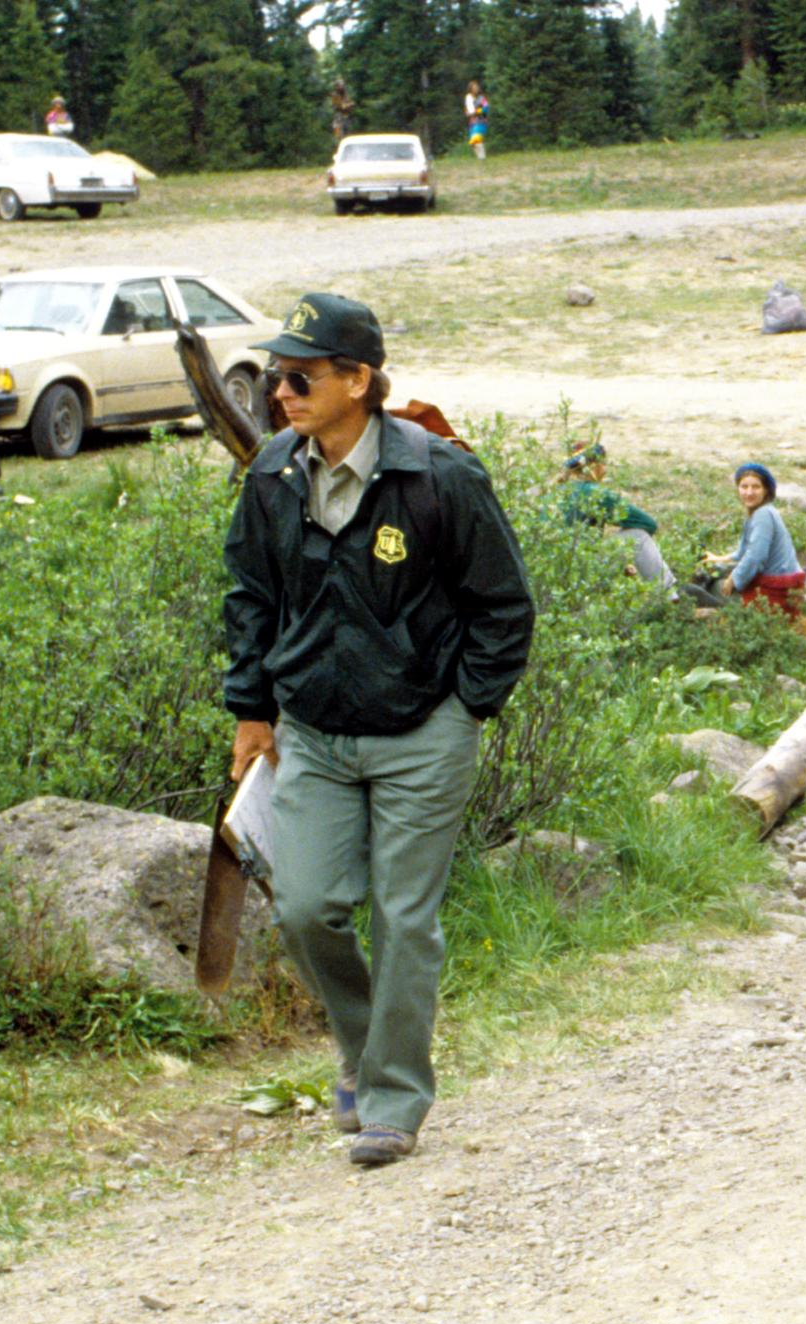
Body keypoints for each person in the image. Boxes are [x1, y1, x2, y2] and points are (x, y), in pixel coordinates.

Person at [221, 293, 534, 1167]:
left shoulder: (441, 477)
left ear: (358, 381)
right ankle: (362, 1052)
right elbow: (248, 593)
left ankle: (393, 1098)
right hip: (313, 732)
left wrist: (463, 707)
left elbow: (504, 607)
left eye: (300, 376)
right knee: (305, 908)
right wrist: (251, 707)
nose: (280, 392)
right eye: (278, 377)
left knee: (404, 917)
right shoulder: (274, 472)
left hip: (421, 735)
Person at [560, 442, 676, 588]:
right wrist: (624, 554)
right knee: (637, 536)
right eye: (603, 463)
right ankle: (666, 594)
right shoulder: (594, 492)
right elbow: (648, 523)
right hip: (581, 571)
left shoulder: (554, 492)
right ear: (594, 466)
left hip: (555, 572)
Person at [697, 463, 805, 609]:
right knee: (723, 571)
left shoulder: (763, 515)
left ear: (766, 490)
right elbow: (744, 551)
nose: (749, 492)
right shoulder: (762, 511)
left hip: (778, 589)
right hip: (788, 582)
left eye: (756, 487)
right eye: (744, 486)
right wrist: (719, 559)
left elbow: (755, 556)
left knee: (715, 587)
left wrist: (733, 579)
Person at [464, 81, 489, 160]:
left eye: (477, 87)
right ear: (470, 89)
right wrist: (467, 113)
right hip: (472, 122)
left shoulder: (482, 98)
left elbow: (486, 108)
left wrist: (476, 111)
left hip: (481, 121)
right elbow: (467, 111)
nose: (476, 89)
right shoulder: (468, 98)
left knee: (476, 139)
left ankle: (482, 157)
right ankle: (480, 157)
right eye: (474, 87)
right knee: (473, 142)